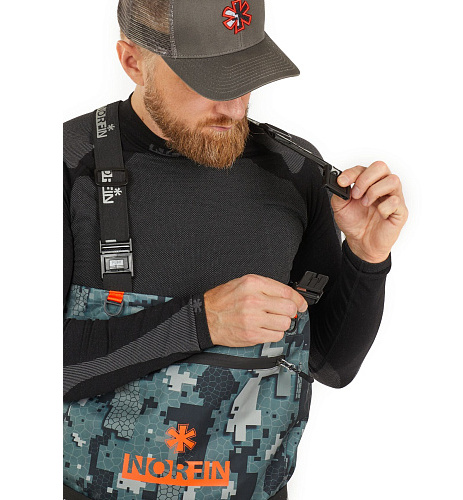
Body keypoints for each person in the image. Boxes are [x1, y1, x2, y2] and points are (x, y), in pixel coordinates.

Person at [63, 1, 408, 499]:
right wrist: (201, 322)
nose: (233, 107)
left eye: (244, 78)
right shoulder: (67, 164)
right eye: (206, 81)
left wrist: (366, 257)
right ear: (132, 61)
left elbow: (329, 365)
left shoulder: (292, 171)